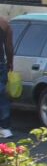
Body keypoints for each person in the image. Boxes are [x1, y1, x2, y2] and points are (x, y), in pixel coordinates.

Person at [0, 12, 13, 140]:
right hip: (0, 64)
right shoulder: (4, 24)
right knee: (2, 96)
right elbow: (9, 47)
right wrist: (10, 63)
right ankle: (5, 128)